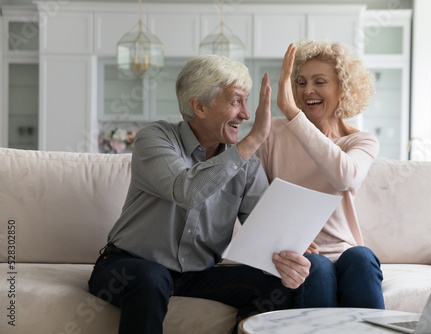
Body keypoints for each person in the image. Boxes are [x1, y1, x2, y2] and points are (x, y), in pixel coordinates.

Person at [88, 54, 311, 334]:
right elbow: (187, 190)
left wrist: (288, 256)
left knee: (276, 287)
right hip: (129, 266)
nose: (245, 113)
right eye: (236, 101)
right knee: (151, 276)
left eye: (246, 101)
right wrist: (254, 139)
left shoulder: (247, 165)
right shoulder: (154, 139)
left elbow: (265, 229)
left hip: (197, 275)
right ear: (199, 106)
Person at [256, 40, 385, 309]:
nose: (307, 91)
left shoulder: (360, 141)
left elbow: (345, 177)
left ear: (344, 88)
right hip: (296, 256)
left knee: (361, 256)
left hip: (345, 253)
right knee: (317, 266)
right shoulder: (274, 134)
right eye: (300, 83)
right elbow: (253, 199)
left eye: (319, 81)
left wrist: (292, 113)